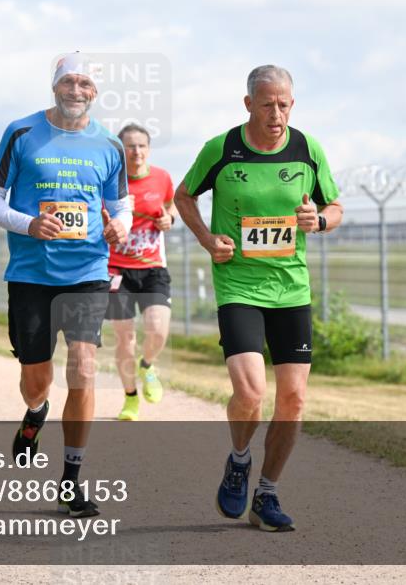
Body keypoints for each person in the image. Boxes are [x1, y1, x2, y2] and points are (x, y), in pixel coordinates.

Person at [174, 65, 343, 532]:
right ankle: (239, 459)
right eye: (267, 104)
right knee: (250, 393)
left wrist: (319, 221)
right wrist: (207, 239)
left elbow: (335, 206)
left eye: (284, 104)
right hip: (239, 285)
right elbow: (184, 196)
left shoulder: (307, 149)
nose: (276, 114)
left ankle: (266, 493)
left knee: (294, 399)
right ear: (248, 104)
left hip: (291, 288)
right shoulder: (222, 148)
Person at [0, 53, 131, 518]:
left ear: (95, 92)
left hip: (87, 271)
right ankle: (35, 413)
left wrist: (121, 225)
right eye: (69, 82)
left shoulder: (109, 144)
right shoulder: (21, 132)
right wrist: (28, 224)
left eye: (85, 84)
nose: (76, 90)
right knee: (36, 382)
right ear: (54, 86)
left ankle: (71, 480)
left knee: (83, 369)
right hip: (31, 274)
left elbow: (120, 204)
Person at [106, 123, 177, 421]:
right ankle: (130, 398)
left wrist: (169, 219)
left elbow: (171, 206)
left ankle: (147, 365)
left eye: (141, 145)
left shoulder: (162, 177)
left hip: (152, 269)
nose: (136, 151)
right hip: (116, 269)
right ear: (120, 151)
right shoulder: (109, 182)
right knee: (125, 338)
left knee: (158, 330)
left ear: (148, 149)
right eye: (130, 146)